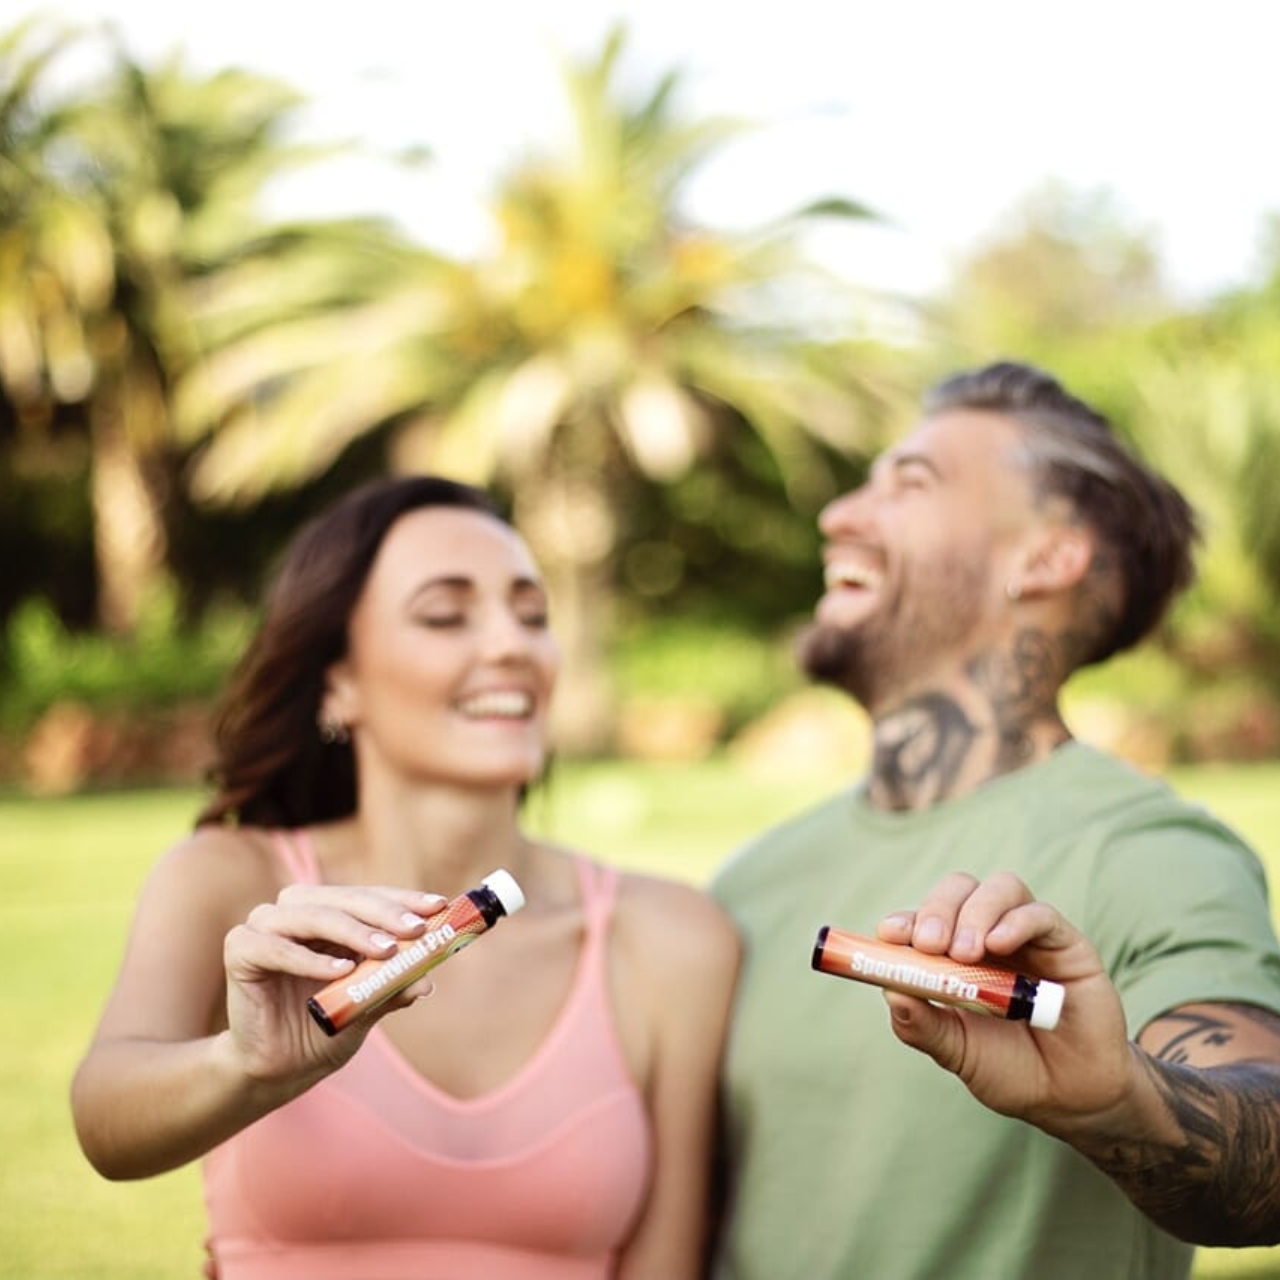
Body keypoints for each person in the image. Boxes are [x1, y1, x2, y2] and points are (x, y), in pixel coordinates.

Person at [71, 475, 739, 1279]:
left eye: (532, 616)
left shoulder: (671, 935)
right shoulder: (228, 882)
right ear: (337, 681)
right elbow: (106, 1127)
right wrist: (241, 1068)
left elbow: (667, 1264)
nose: (511, 646)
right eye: (445, 615)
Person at [710, 361, 1280, 1279]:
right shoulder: (747, 879)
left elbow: (1270, 1136)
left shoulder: (1152, 854)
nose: (839, 516)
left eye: (912, 481)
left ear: (1045, 558)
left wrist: (1124, 1102)